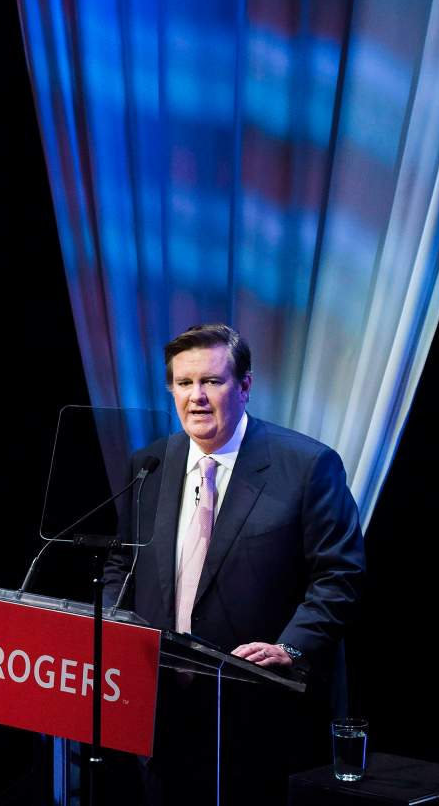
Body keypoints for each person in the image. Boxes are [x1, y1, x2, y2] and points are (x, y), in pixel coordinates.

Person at [101, 323, 365, 802]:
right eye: (184, 383)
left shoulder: (306, 467)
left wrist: (293, 647)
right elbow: (123, 563)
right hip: (160, 712)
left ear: (244, 385)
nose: (196, 397)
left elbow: (339, 574)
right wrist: (112, 628)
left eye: (212, 382)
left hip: (257, 712)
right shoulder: (150, 465)